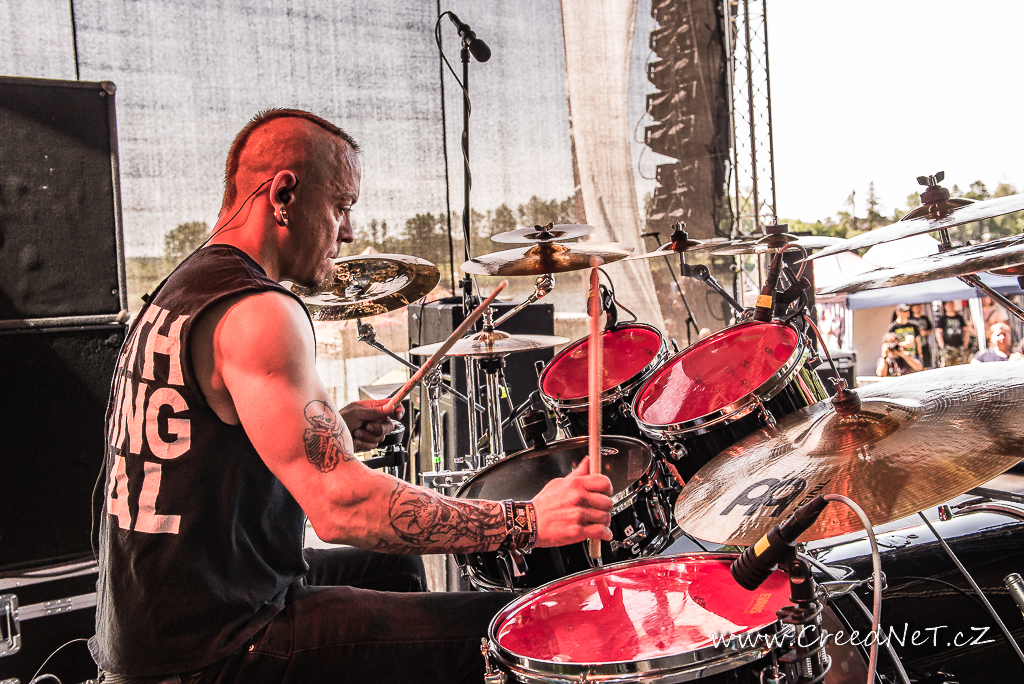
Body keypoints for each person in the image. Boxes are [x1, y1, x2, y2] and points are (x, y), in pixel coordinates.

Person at [91, 109, 615, 684]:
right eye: (341, 206)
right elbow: (341, 507)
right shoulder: (258, 311)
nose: (348, 232)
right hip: (215, 649)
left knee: (394, 570)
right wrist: (527, 519)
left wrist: (335, 426)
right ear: (284, 195)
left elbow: (204, 447)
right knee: (517, 630)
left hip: (159, 622)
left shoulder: (185, 288)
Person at [936, 301, 971, 367]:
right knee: (946, 366)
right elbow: (938, 332)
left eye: (951, 305)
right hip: (948, 347)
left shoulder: (959, 317)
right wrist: (942, 345)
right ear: (945, 307)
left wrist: (966, 342)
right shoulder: (943, 319)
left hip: (960, 346)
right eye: (948, 305)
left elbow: (966, 330)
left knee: (963, 365)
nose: (950, 307)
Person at [908, 303, 935, 368]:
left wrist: (925, 332)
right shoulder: (910, 320)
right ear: (912, 309)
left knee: (926, 364)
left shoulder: (925, 318)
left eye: (919, 307)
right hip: (914, 347)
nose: (917, 308)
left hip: (924, 344)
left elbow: (931, 329)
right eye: (915, 307)